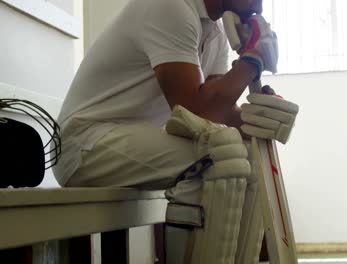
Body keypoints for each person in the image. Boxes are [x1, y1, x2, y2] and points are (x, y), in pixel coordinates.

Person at [53, 0, 298, 263]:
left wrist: (258, 118)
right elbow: (193, 108)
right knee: (220, 153)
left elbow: (217, 108)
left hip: (126, 138)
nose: (260, 6)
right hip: (84, 143)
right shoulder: (170, 6)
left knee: (246, 153)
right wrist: (252, 61)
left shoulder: (214, 32)